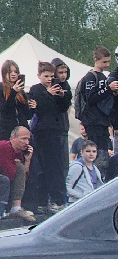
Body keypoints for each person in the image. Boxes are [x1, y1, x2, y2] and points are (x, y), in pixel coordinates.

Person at [27, 61, 72, 212]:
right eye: (46, 76)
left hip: (56, 130)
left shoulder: (59, 87)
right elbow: (37, 109)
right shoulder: (35, 90)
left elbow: (63, 107)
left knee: (56, 166)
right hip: (41, 131)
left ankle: (58, 199)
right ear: (39, 76)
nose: (49, 79)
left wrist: (61, 95)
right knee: (42, 167)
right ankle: (42, 199)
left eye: (51, 76)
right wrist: (48, 94)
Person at [76, 46, 113, 152]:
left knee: (104, 150)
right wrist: (108, 89)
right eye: (104, 62)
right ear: (96, 60)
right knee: (96, 150)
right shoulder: (90, 77)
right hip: (93, 121)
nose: (107, 65)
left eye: (109, 61)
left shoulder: (103, 76)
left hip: (102, 120)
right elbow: (90, 98)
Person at [0, 124, 35, 222]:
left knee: (19, 167)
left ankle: (16, 207)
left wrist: (27, 160)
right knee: (5, 179)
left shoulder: (18, 153)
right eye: (23, 139)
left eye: (28, 139)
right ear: (13, 138)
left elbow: (22, 177)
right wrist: (18, 164)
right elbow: (10, 175)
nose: (27, 142)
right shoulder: (4, 147)